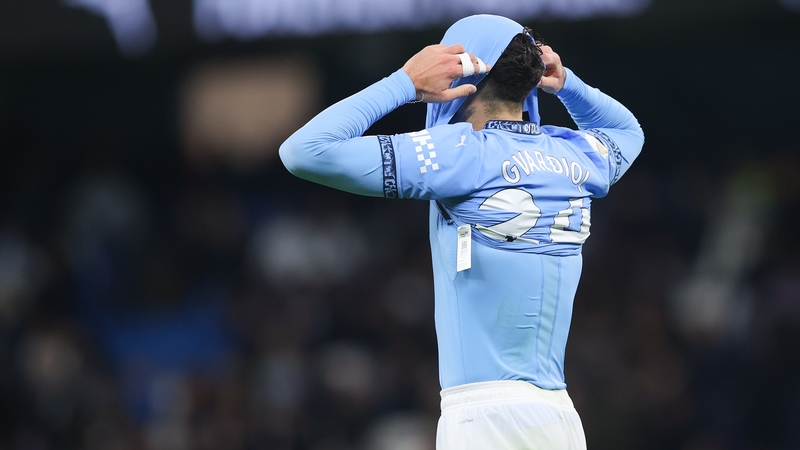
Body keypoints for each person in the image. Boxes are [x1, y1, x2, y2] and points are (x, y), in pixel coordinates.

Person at [280, 14, 643, 450]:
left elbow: (304, 151)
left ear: (463, 71)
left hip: (484, 421)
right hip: (560, 419)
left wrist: (405, 83)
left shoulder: (460, 153)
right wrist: (569, 84)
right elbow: (628, 132)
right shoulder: (575, 154)